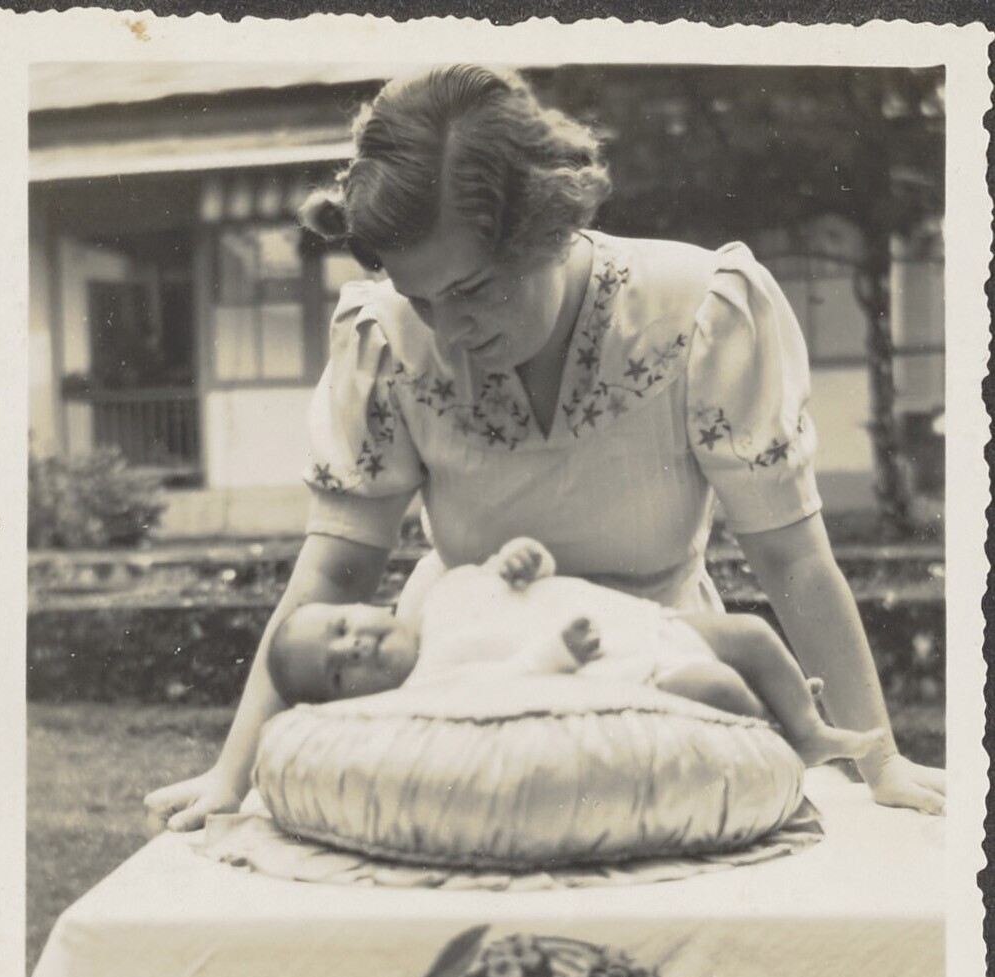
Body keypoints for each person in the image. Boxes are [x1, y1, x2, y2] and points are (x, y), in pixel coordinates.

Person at [145, 64, 945, 830]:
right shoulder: (383, 340)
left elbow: (792, 559)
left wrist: (882, 764)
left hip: (664, 673)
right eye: (420, 299)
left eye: (471, 291)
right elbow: (332, 574)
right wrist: (230, 777)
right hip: (469, 688)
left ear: (548, 228)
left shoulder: (700, 310)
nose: (449, 333)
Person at [266, 536, 886, 770]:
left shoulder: (443, 594)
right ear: (347, 704)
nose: (353, 647)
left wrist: (525, 557)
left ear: (366, 607)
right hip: (619, 672)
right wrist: (554, 655)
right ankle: (773, 755)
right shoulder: (427, 693)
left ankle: (806, 731)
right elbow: (502, 688)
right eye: (338, 671)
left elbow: (512, 578)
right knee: (717, 688)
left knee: (749, 633)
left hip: (643, 624)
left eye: (342, 627)